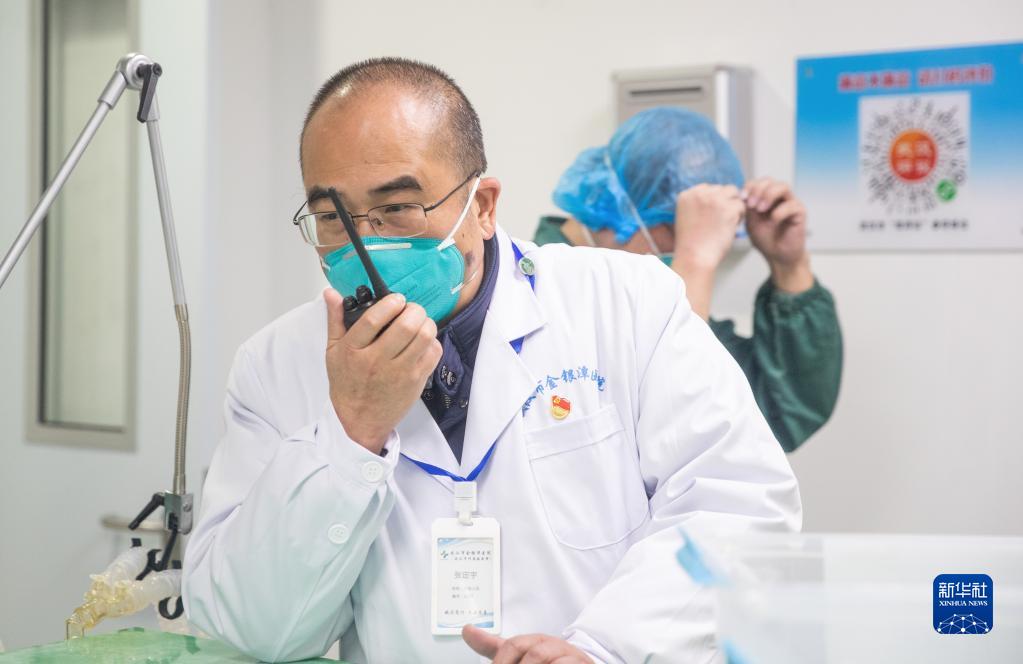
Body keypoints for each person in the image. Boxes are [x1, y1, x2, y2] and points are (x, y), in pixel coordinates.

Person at [183, 58, 800, 663]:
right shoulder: (275, 365)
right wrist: (350, 434)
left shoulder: (627, 302)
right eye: (331, 217)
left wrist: (603, 650)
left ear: (482, 206)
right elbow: (251, 628)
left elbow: (739, 505)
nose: (366, 242)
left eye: (397, 208)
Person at [536, 107, 842, 452]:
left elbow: (781, 412)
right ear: (619, 208)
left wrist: (789, 267)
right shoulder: (541, 298)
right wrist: (694, 259)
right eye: (678, 228)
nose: (687, 242)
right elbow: (671, 425)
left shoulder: (651, 293)